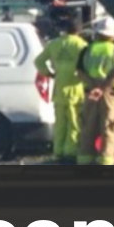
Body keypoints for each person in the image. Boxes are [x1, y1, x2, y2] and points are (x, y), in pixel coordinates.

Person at [34, 9, 88, 163]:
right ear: (78, 30)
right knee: (74, 123)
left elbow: (38, 62)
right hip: (75, 88)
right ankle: (70, 152)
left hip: (58, 89)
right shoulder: (82, 45)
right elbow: (87, 66)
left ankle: (58, 151)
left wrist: (49, 73)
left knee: (60, 123)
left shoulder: (54, 44)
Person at [76, 16, 114, 165]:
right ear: (113, 34)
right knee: (109, 126)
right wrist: (103, 88)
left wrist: (93, 87)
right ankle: (106, 160)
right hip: (109, 93)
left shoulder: (87, 49)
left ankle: (85, 158)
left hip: (90, 92)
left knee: (88, 125)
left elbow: (79, 71)